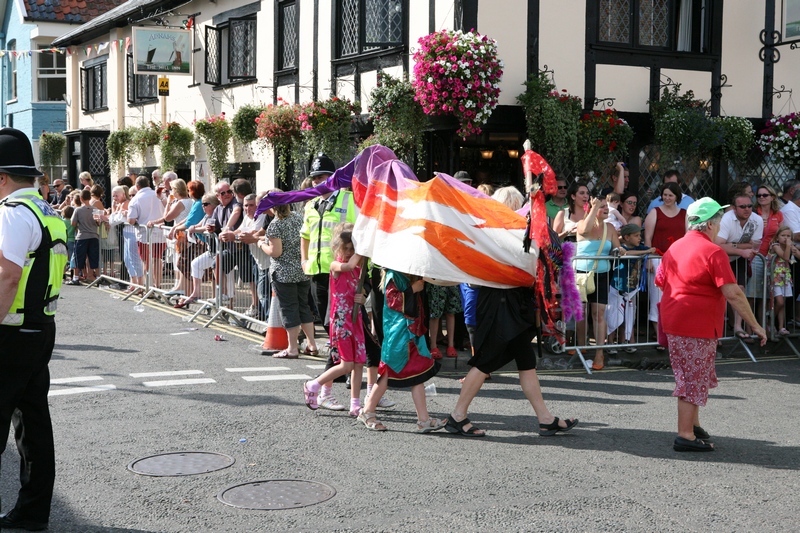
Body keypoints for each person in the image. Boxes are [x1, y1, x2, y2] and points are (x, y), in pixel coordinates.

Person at [442, 190, 578, 438]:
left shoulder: (507, 231)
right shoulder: (497, 233)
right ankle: (457, 416)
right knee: (485, 362)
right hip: (500, 305)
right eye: (517, 206)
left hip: (512, 303)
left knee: (526, 364)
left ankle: (545, 419)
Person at [656, 198, 766, 452]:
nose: (719, 225)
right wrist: (756, 325)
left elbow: (661, 281)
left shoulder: (675, 247)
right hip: (697, 324)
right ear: (709, 224)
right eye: (718, 220)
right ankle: (685, 435)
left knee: (692, 375)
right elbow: (733, 293)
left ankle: (692, 427)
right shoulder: (713, 252)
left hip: (677, 321)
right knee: (692, 379)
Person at [0, 127, 68, 531]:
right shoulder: (48, 212)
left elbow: (8, 277)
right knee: (33, 425)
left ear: (3, 177)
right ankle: (32, 511)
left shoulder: (11, 213)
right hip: (41, 328)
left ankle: (30, 512)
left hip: (10, 330)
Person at [358, 269, 446, 432]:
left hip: (409, 334)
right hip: (399, 335)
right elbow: (394, 301)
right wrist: (413, 289)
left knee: (417, 373)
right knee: (387, 373)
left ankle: (423, 419)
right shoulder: (393, 275)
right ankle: (367, 410)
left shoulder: (401, 275)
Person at [303, 224, 367, 417]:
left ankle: (354, 404)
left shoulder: (359, 268)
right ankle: (313, 384)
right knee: (347, 364)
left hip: (355, 318)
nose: (348, 253)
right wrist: (364, 247)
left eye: (352, 249)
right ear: (337, 247)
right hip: (341, 321)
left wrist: (362, 297)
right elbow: (347, 266)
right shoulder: (336, 265)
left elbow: (360, 290)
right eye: (345, 248)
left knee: (359, 363)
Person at [259, 199, 319, 359]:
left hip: (284, 273)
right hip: (302, 270)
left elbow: (276, 252)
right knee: (303, 307)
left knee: (289, 309)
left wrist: (261, 244)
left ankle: (292, 348)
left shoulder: (275, 225)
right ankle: (311, 344)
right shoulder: (298, 218)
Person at [576, 195, 622, 370]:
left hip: (602, 274)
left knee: (599, 314)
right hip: (582, 274)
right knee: (581, 313)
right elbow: (584, 230)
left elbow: (616, 247)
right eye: (602, 206)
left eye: (606, 206)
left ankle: (599, 353)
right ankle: (580, 348)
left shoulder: (609, 227)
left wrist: (619, 250)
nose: (606, 209)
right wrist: (593, 209)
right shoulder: (582, 223)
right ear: (592, 208)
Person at [715, 192, 763, 339]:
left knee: (740, 290)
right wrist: (740, 250)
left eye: (749, 206)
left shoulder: (757, 220)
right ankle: (718, 331)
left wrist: (733, 246)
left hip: (739, 257)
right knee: (721, 295)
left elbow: (755, 246)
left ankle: (737, 327)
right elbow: (718, 245)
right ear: (734, 208)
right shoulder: (727, 219)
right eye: (742, 206)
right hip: (720, 257)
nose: (747, 209)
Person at [643, 182, 687, 342]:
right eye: (665, 194)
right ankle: (661, 336)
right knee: (657, 298)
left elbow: (688, 238)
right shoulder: (655, 212)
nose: (667, 198)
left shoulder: (685, 214)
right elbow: (647, 237)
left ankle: (674, 333)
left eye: (671, 195)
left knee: (678, 297)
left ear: (677, 197)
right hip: (658, 260)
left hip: (679, 261)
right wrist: (648, 259)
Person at [606, 224, 656, 353]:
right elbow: (627, 253)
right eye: (636, 236)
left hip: (632, 289)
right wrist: (646, 251)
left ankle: (626, 341)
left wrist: (651, 249)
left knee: (629, 317)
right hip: (617, 287)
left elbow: (651, 249)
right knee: (614, 317)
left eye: (640, 235)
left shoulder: (640, 247)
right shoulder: (620, 248)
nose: (639, 238)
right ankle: (610, 342)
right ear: (626, 237)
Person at [127, 175, 167, 289]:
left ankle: (148, 286)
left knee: (145, 261)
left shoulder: (135, 199)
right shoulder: (159, 195)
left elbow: (131, 220)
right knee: (158, 259)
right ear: (149, 184)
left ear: (137, 186)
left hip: (144, 235)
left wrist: (135, 222)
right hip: (159, 232)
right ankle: (157, 285)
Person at [769, 226, 800, 335]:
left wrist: (795, 250)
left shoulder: (790, 246)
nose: (786, 238)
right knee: (779, 302)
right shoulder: (775, 246)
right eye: (783, 236)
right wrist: (788, 247)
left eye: (788, 236)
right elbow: (786, 257)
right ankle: (770, 320)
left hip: (785, 277)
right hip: (775, 277)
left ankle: (781, 327)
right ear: (777, 237)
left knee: (784, 302)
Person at [68, 189, 100, 285]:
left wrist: (79, 223)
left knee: (79, 257)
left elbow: (73, 223)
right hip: (94, 236)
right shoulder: (95, 209)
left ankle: (76, 278)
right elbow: (98, 222)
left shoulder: (78, 210)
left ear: (81, 198)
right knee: (94, 258)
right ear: (90, 198)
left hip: (82, 236)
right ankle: (98, 277)